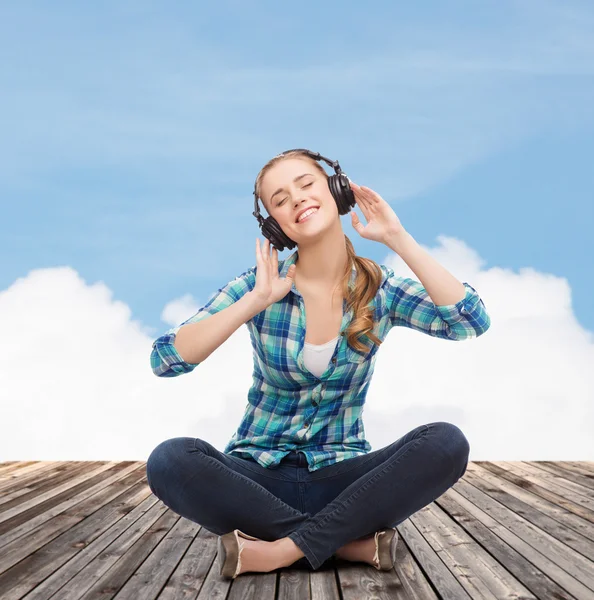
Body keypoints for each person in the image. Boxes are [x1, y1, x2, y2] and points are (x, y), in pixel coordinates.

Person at [147, 149, 491, 579]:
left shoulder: (380, 289)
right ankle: (342, 543)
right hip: (257, 477)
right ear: (274, 223)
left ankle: (278, 550)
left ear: (335, 190)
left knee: (446, 442)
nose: (296, 199)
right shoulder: (259, 285)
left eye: (306, 184)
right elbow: (166, 359)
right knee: (169, 460)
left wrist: (398, 238)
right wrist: (253, 303)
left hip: (343, 478)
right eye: (279, 199)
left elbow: (469, 322)